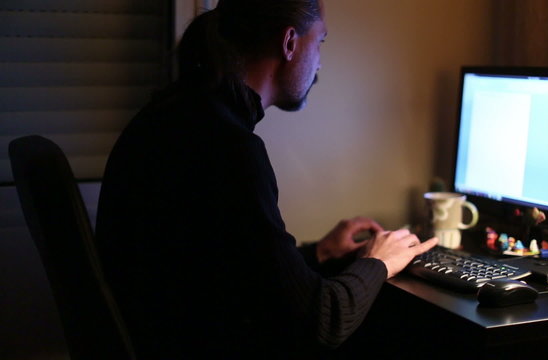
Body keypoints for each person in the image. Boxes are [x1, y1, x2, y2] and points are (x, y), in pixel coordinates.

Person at [95, 0, 437, 358]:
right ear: (289, 43)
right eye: (319, 42)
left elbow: (232, 273)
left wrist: (318, 254)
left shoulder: (172, 116)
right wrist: (379, 262)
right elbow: (322, 323)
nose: (319, 61)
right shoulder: (228, 149)